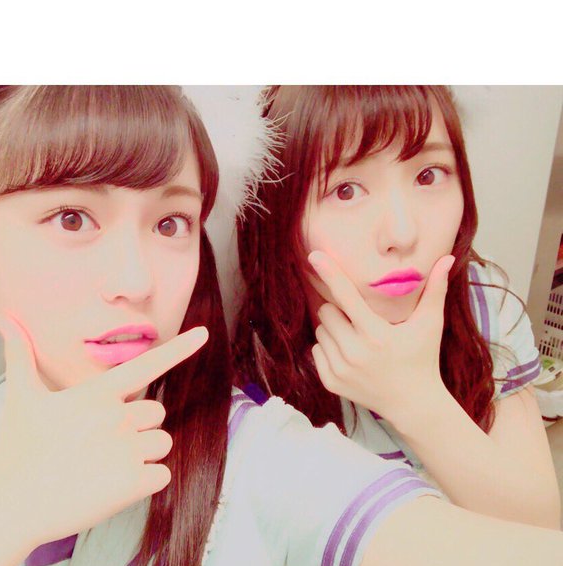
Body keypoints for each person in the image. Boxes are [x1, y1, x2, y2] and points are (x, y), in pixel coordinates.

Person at [0, 85, 562, 566]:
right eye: (71, 218)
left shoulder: (257, 452)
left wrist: (417, 400)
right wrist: (1, 512)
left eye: (171, 223)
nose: (135, 281)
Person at [234, 85, 560, 529]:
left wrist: (413, 399)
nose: (403, 234)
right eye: (346, 190)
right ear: (277, 212)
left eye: (428, 175)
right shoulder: (251, 384)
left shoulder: (483, 302)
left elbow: (539, 533)